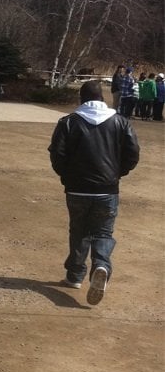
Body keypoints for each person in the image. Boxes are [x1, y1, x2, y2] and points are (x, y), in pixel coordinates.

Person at [48, 79, 140, 306]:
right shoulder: (120, 121)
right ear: (103, 98)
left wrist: (67, 177)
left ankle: (75, 276)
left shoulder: (68, 122)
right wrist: (118, 173)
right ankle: (101, 265)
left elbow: (57, 154)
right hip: (107, 189)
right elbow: (132, 153)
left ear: (81, 98)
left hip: (77, 189)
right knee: (103, 233)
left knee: (78, 230)